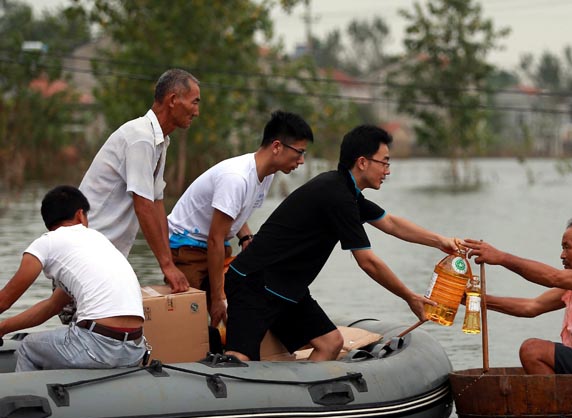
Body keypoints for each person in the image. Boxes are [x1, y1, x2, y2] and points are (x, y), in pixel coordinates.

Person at [224, 124, 460, 362]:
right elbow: (368, 262)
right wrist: (409, 296)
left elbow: (390, 223)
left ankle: (304, 398)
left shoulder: (346, 191)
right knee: (240, 358)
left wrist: (440, 241)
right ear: (363, 162)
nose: (387, 171)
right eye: (384, 162)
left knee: (330, 343)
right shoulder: (336, 195)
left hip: (285, 288)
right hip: (253, 282)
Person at [167, 110, 314, 328]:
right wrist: (218, 298)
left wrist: (246, 238)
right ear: (276, 147)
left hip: (216, 246)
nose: (301, 161)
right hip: (186, 247)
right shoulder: (236, 178)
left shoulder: (266, 174)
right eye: (299, 153)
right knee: (194, 318)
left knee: (247, 294)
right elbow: (215, 239)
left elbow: (234, 215)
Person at [462, 218, 572, 375]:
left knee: (532, 350)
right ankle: (565, 408)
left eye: (567, 248)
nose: (562, 255)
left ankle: (561, 411)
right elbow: (531, 307)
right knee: (533, 350)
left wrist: (501, 258)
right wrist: (472, 299)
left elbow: (553, 277)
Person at [79, 68, 201, 294]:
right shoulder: (140, 138)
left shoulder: (160, 141)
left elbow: (156, 204)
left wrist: (169, 265)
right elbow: (143, 206)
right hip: (88, 251)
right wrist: (166, 265)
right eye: (194, 102)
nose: (197, 111)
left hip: (106, 255)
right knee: (95, 326)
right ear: (173, 100)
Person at [0, 186, 146, 372]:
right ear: (80, 215)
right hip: (134, 348)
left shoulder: (46, 243)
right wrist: (3, 327)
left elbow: (4, 300)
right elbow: (53, 306)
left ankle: (23, 398)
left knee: (28, 347)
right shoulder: (99, 240)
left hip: (97, 346)